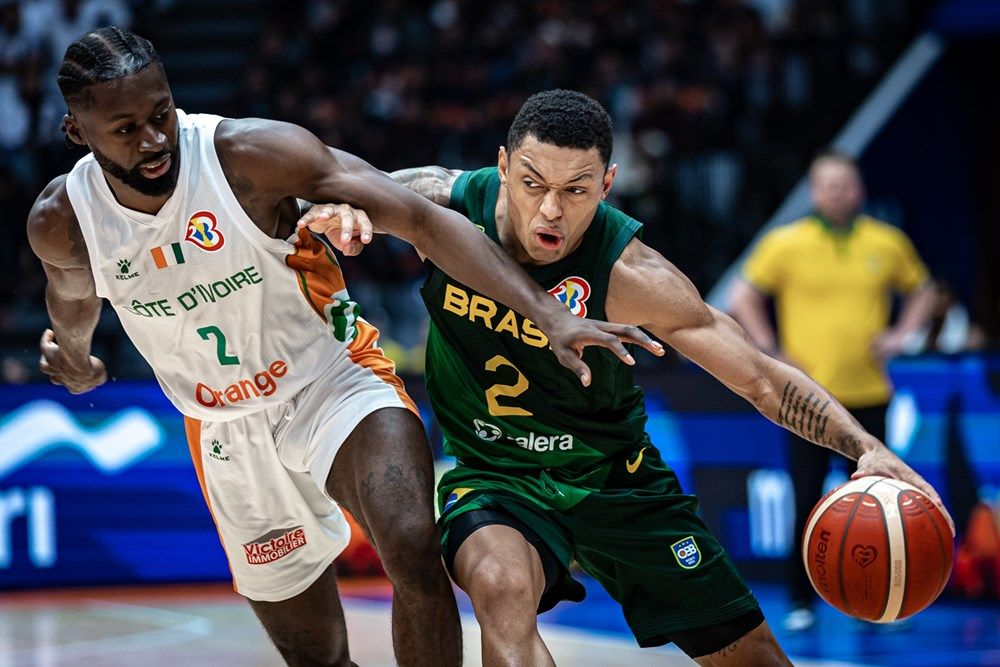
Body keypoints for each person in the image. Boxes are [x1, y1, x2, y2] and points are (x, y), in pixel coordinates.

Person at [27, 30, 661, 667]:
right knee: (318, 657)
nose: (154, 140)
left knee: (414, 546)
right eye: (126, 128)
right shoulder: (64, 221)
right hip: (226, 427)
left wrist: (547, 312)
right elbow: (74, 300)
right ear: (78, 131)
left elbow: (421, 216)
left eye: (161, 113)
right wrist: (78, 361)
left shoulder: (249, 155)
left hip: (334, 376)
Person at [300, 90, 953, 666]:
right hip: (498, 476)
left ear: (608, 184)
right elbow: (365, 182)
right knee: (500, 590)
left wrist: (861, 445)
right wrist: (345, 209)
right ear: (502, 168)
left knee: (755, 656)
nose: (550, 210)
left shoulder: (634, 275)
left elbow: (760, 379)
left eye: (576, 189)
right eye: (532, 184)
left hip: (618, 481)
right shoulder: (451, 209)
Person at [728, 150, 938, 632]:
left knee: (885, 503)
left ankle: (887, 598)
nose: (837, 192)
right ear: (814, 191)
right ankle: (802, 600)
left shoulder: (886, 242)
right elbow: (742, 296)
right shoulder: (787, 243)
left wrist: (903, 333)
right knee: (807, 499)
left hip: (870, 394)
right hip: (808, 403)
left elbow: (924, 288)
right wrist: (770, 349)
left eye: (845, 183)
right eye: (828, 184)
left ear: (858, 188)